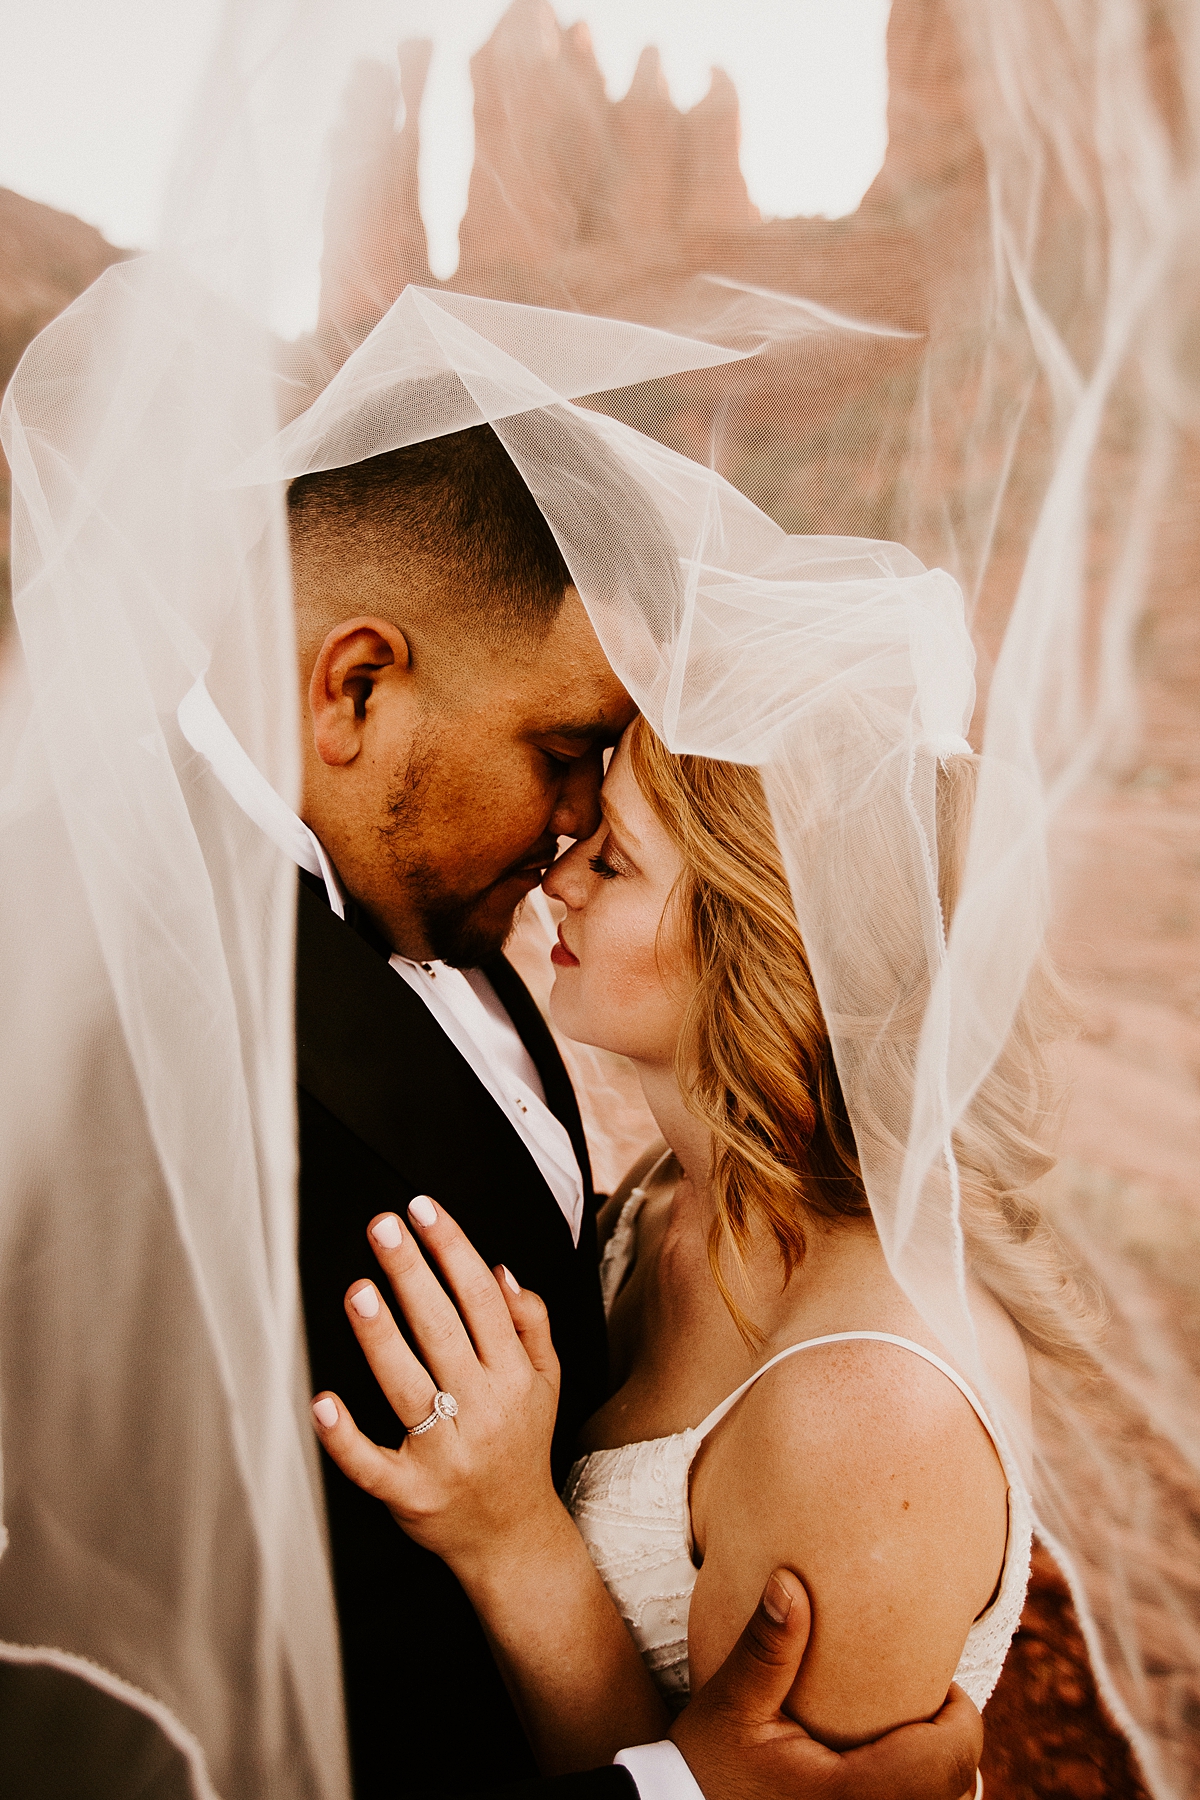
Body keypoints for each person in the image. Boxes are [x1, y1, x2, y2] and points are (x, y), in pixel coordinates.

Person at [173, 421, 985, 1800]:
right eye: (562, 755)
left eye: (610, 842)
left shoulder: (436, 882)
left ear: (754, 929)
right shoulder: (125, 1007)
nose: (561, 843)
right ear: (354, 688)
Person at [310, 716, 1090, 1783]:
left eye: (615, 859)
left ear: (759, 940)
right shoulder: (677, 1195)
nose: (558, 878)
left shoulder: (873, 1414)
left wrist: (513, 1538)